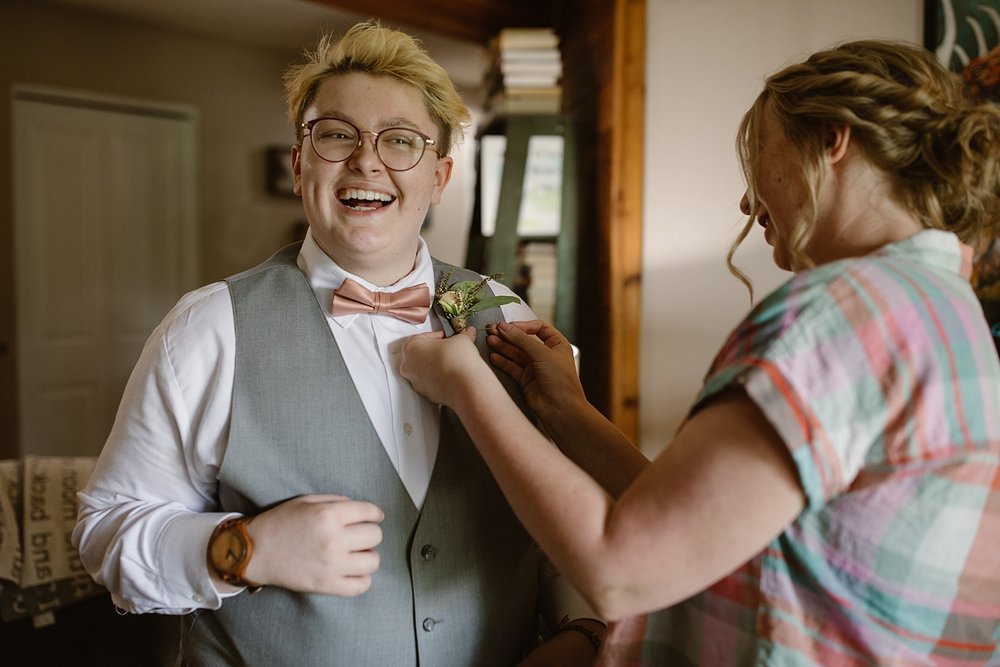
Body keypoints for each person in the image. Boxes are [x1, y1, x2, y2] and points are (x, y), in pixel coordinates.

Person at [399, 39, 1000, 665]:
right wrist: (568, 415)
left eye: (760, 152)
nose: (747, 201)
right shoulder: (945, 312)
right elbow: (714, 527)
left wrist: (467, 385)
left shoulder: (845, 310)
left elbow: (622, 568)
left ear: (832, 138)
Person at [72, 21, 603, 666]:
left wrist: (581, 631)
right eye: (336, 135)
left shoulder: (507, 318)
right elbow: (105, 535)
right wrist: (245, 548)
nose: (367, 161)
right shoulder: (208, 328)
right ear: (300, 165)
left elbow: (557, 524)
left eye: (400, 141)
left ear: (439, 177)